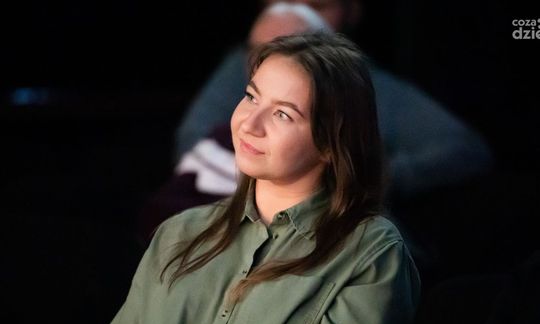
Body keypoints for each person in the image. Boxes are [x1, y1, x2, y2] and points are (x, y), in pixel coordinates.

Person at [74, 32, 421, 324]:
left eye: (283, 114)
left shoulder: (372, 251)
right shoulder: (179, 232)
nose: (249, 124)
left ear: (330, 144)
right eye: (252, 97)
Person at [173, 0, 493, 199]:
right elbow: (193, 139)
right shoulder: (239, 65)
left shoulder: (370, 87)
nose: (293, 12)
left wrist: (356, 177)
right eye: (251, 96)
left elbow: (463, 148)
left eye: (317, 6)